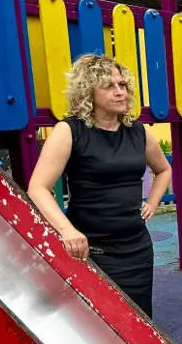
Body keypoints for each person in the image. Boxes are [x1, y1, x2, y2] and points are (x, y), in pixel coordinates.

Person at [27, 54, 171, 318]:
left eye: (122, 85)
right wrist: (67, 231)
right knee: (96, 325)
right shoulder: (70, 131)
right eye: (109, 86)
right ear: (88, 92)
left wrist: (152, 203)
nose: (120, 92)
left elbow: (164, 170)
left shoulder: (138, 132)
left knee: (139, 322)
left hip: (137, 250)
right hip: (92, 250)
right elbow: (37, 188)